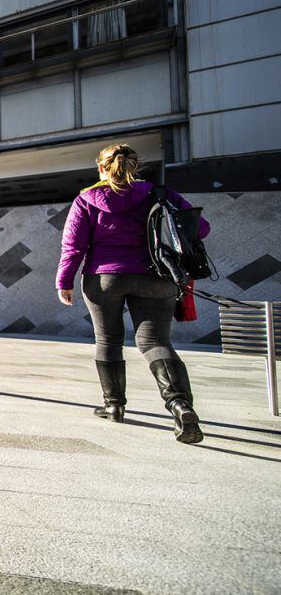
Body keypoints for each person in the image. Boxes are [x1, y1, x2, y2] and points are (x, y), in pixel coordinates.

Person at [56, 144, 210, 444]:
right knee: (154, 342)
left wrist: (64, 280)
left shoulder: (87, 198)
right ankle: (181, 406)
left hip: (104, 279)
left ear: (100, 168)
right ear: (135, 167)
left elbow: (74, 245)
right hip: (155, 276)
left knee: (109, 340)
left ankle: (113, 406)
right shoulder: (159, 194)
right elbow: (200, 228)